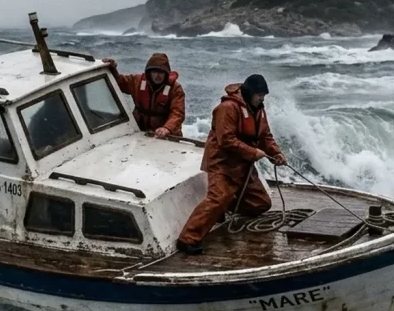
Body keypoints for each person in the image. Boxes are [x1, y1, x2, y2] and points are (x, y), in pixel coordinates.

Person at [175, 74, 287, 255]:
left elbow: (265, 136)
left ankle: (226, 205)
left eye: (263, 95)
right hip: (222, 163)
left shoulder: (259, 109)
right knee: (217, 198)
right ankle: (187, 239)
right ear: (250, 93)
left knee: (261, 204)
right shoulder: (227, 108)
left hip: (243, 164)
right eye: (259, 95)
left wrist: (276, 153)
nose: (262, 98)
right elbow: (226, 140)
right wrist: (253, 152)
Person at [102, 52, 185, 138]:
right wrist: (112, 69)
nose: (157, 75)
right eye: (155, 72)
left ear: (166, 73)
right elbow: (120, 83)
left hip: (165, 135)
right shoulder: (137, 81)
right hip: (140, 132)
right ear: (149, 72)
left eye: (161, 72)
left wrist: (167, 128)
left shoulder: (175, 88)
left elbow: (178, 113)